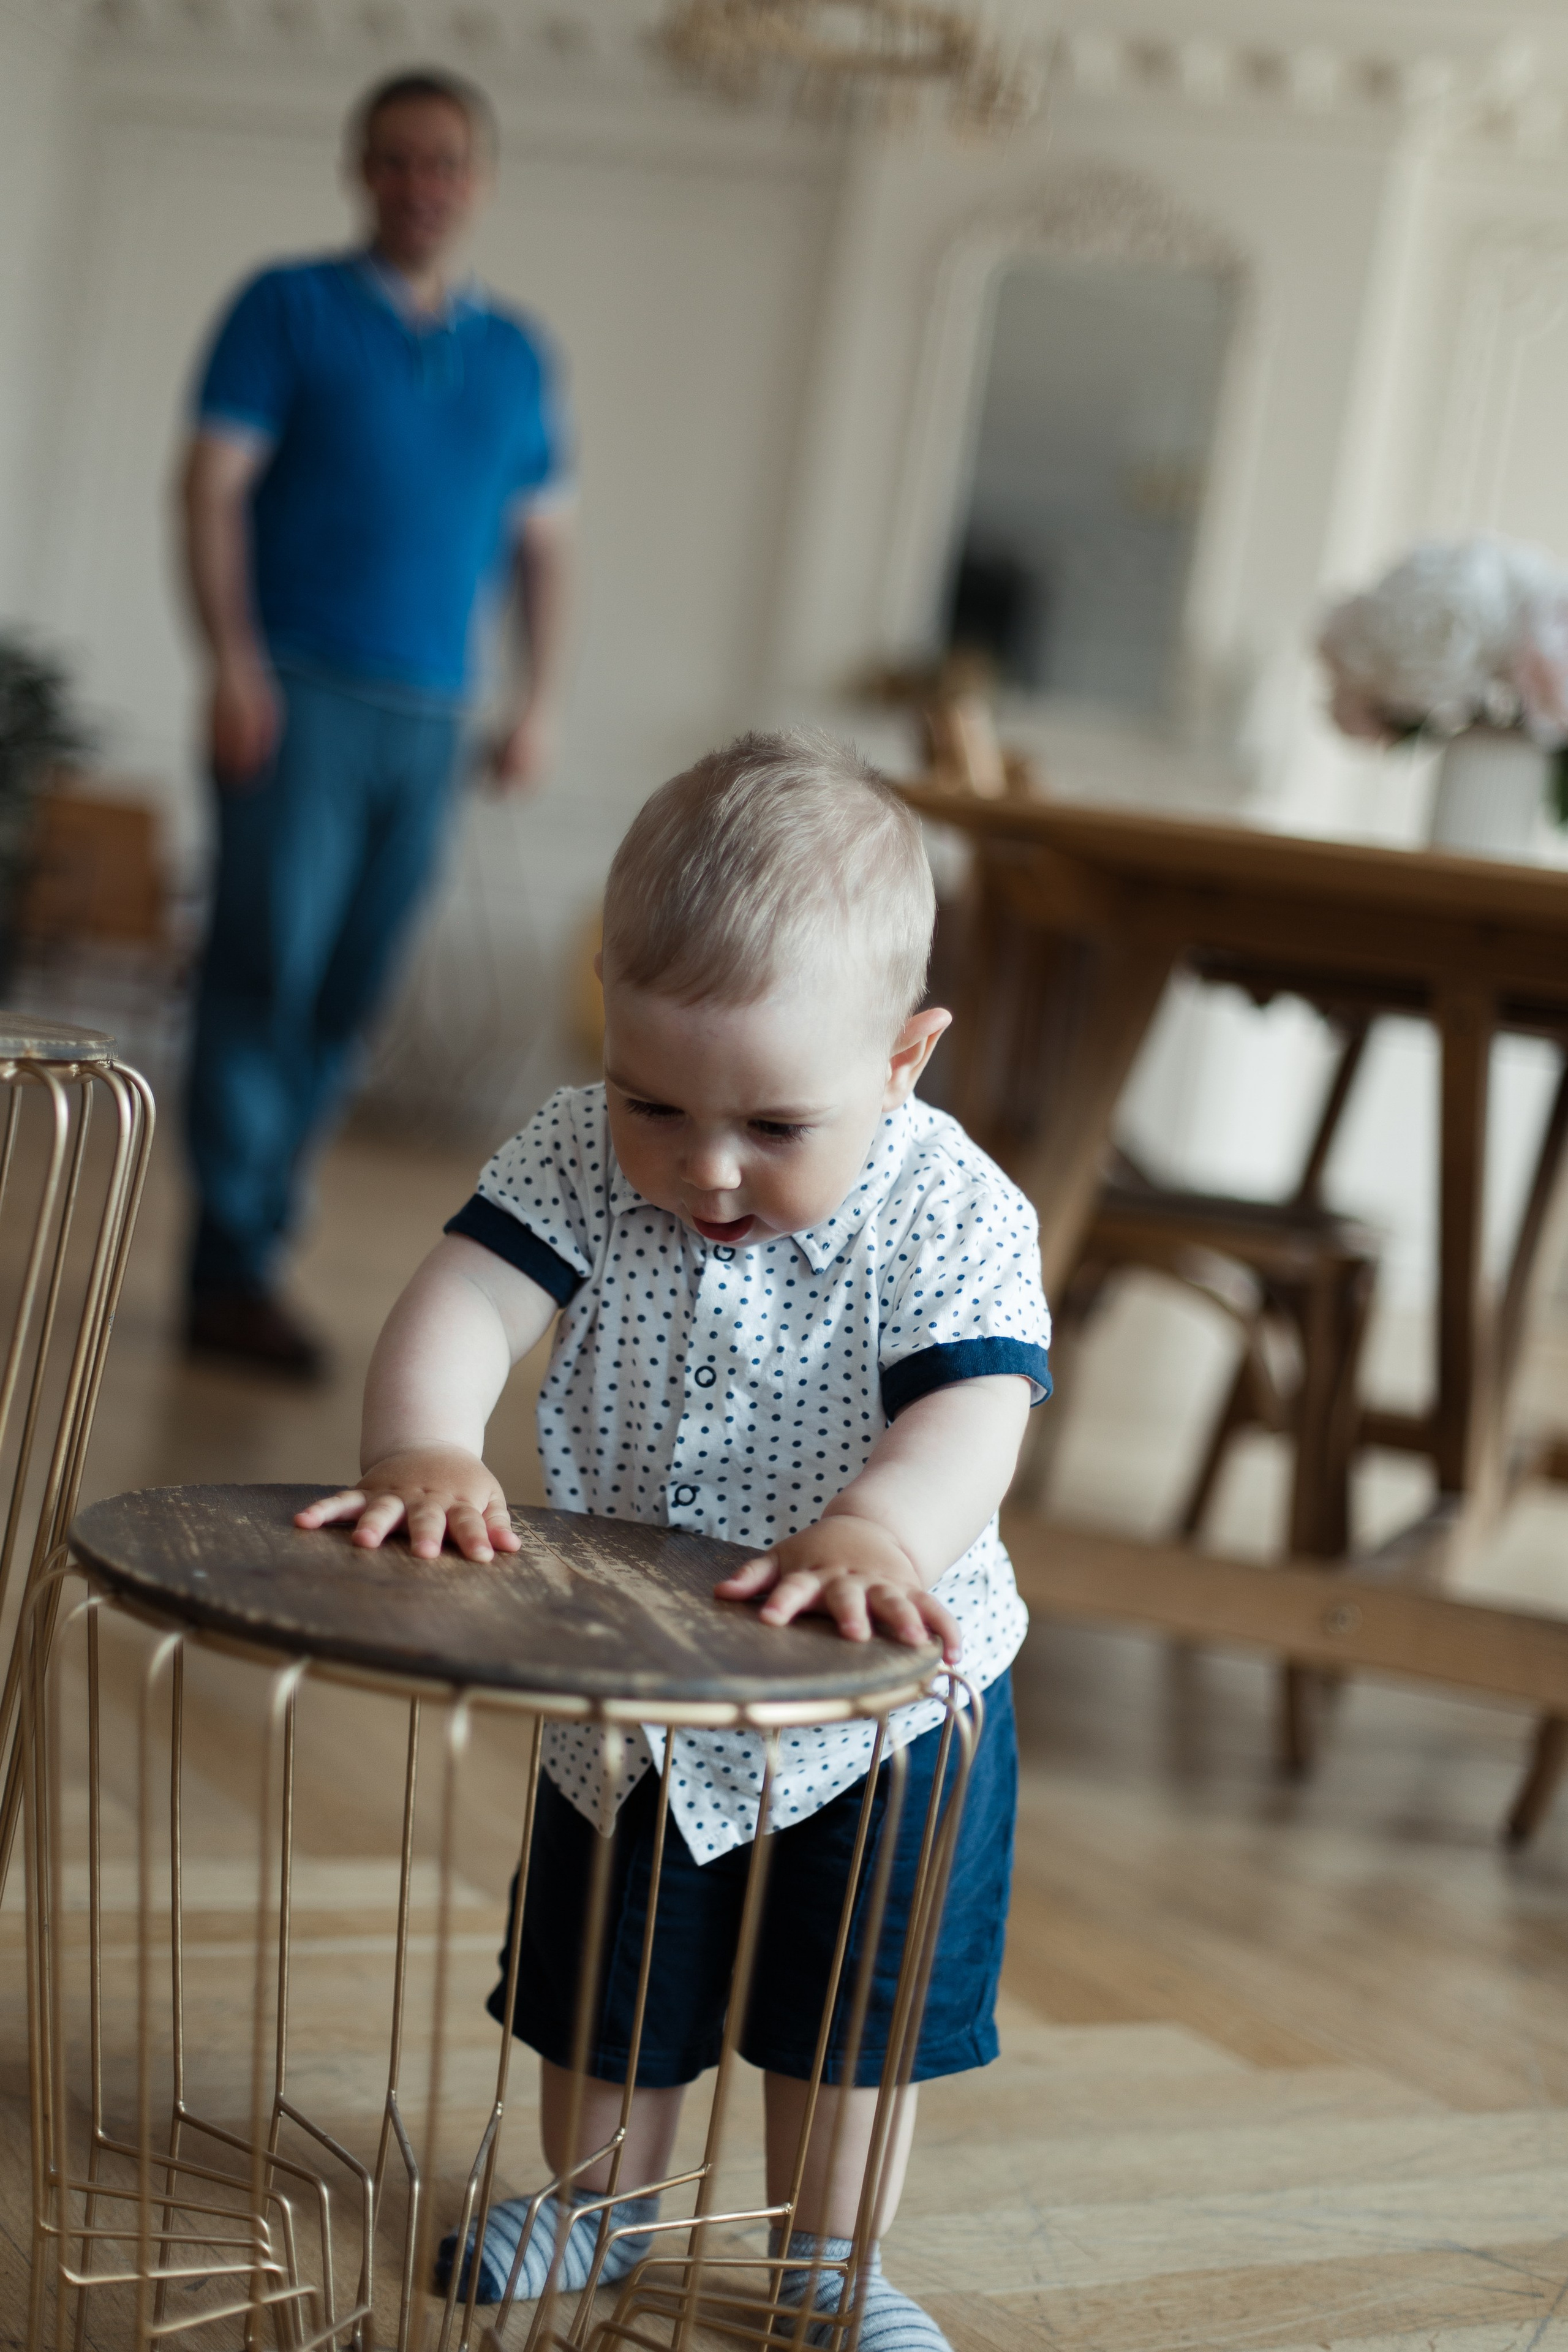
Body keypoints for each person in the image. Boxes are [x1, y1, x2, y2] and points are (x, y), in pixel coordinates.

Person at [297, 730, 1052, 2345]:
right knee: (611, 1985)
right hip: (633, 1681)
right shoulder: (579, 1149)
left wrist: (876, 1530)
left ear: (906, 1055)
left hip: (885, 1703)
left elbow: (977, 1419)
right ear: (608, 1019)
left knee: (850, 2026)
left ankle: (829, 2264)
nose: (705, 1166)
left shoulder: (950, 1210)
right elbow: (464, 1302)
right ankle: (596, 2203)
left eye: (776, 1126)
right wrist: (428, 1441)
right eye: (659, 1102)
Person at [180, 68, 572, 1376]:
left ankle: (251, 1243)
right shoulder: (284, 308)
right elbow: (210, 490)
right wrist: (232, 664)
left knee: (346, 995)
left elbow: (541, 546)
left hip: (433, 714)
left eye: (447, 162)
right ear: (363, 171)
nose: (424, 184)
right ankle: (233, 1261)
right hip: (294, 692)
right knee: (264, 972)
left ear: (481, 182)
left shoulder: (515, 354)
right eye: (398, 160)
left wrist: (538, 701)